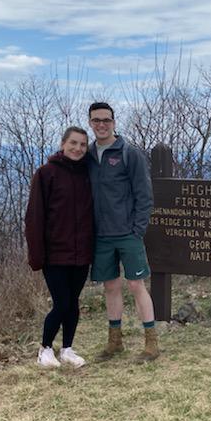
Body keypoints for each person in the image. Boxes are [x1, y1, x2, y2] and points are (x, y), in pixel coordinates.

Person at [86, 102, 159, 362]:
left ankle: (151, 343)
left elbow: (144, 195)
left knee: (136, 284)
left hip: (127, 233)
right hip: (101, 235)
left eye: (106, 120)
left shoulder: (129, 153)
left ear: (114, 122)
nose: (102, 125)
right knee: (110, 286)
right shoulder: (88, 155)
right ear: (90, 123)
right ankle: (114, 342)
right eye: (96, 120)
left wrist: (137, 229)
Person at [25, 126, 94, 369]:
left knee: (73, 303)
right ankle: (44, 349)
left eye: (83, 145)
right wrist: (36, 255)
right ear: (63, 144)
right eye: (73, 143)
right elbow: (34, 217)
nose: (78, 148)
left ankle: (67, 349)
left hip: (81, 253)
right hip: (54, 254)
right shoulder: (46, 173)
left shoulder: (88, 173)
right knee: (62, 303)